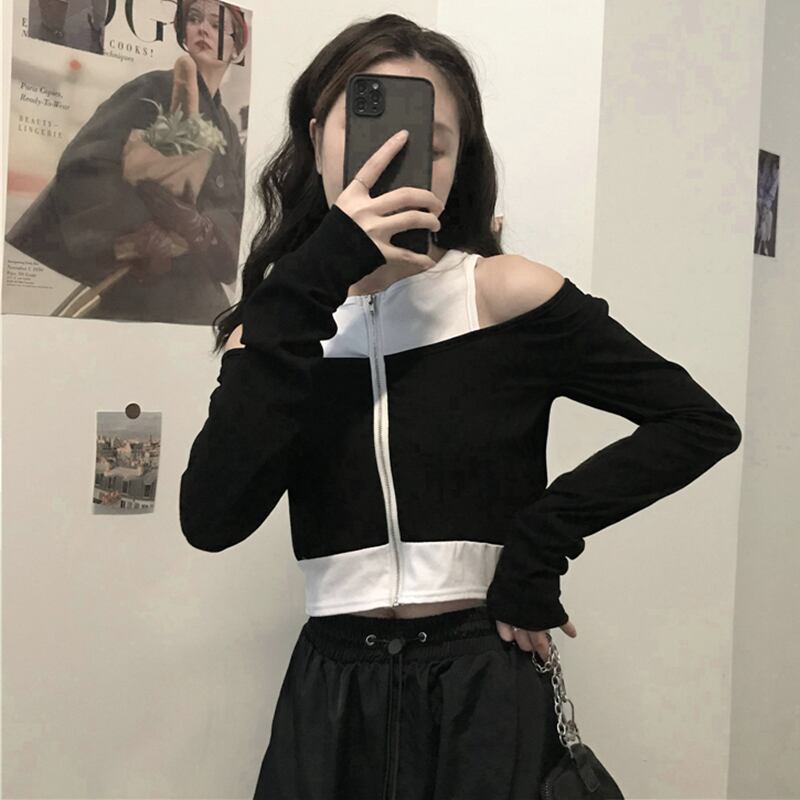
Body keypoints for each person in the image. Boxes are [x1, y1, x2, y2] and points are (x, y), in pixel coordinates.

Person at [179, 13, 742, 799]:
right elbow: (212, 520)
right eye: (364, 135)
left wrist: (538, 545)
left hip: (483, 688)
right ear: (316, 139)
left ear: (456, 162)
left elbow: (699, 423)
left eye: (430, 146)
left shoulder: (505, 296)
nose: (394, 161)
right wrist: (313, 279)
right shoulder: (279, 327)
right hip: (331, 699)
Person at [5, 0, 249, 324]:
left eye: (217, 25)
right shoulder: (151, 88)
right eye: (194, 19)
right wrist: (138, 234)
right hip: (140, 274)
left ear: (237, 49)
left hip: (191, 278)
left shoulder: (228, 127)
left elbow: (236, 210)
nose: (203, 29)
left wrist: (201, 229)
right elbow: (87, 164)